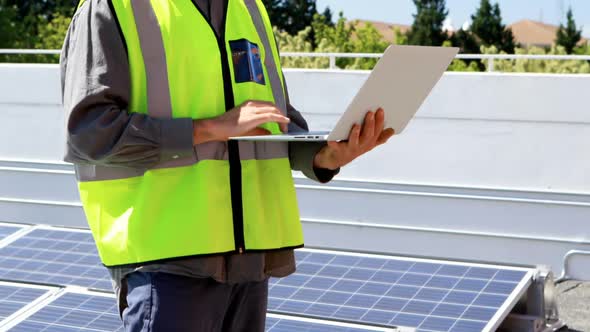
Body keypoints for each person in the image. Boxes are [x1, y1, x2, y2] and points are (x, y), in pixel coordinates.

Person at [60, 0, 394, 331]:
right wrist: (207, 128)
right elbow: (89, 132)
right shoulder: (115, 6)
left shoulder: (250, 9)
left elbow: (273, 121)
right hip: (167, 263)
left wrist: (325, 156)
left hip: (249, 262)